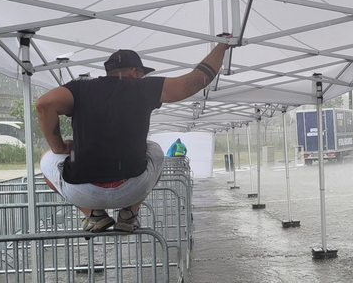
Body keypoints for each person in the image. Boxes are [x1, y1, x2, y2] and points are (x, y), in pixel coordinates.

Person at [36, 37, 231, 233]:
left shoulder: (79, 88)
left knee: (46, 157)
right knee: (154, 149)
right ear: (135, 71)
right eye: (141, 74)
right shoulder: (142, 88)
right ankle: (129, 214)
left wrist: (59, 147)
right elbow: (196, 80)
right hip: (131, 187)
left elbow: (44, 105)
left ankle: (92, 214)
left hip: (83, 191)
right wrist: (222, 45)